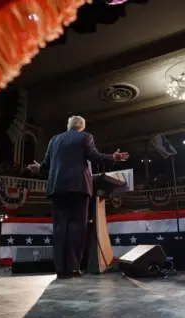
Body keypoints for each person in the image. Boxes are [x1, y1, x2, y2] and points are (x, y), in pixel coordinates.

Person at [28, 115, 129, 278]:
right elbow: (94, 156)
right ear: (81, 126)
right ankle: (73, 268)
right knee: (76, 227)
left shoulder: (54, 140)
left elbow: (46, 164)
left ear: (69, 125)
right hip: (78, 188)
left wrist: (38, 168)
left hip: (57, 188)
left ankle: (60, 269)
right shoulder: (85, 137)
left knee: (60, 229)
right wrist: (113, 157)